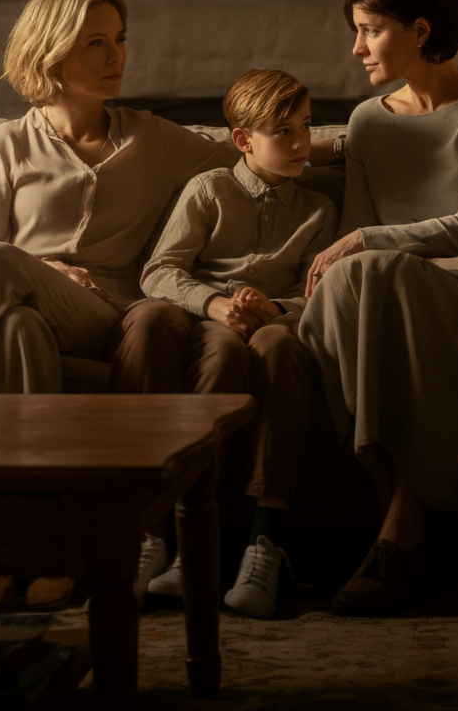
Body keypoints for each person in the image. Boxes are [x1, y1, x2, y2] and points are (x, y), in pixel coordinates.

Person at [0, 0, 339, 613]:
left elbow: (253, 147)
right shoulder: (5, 146)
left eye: (120, 40)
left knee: (2, 264)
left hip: (105, 313)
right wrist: (49, 269)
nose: (117, 57)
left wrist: (357, 141)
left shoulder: (151, 138)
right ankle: (34, 550)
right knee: (16, 325)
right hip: (25, 306)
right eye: (96, 43)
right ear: (52, 50)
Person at [297, 0, 458, 616]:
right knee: (350, 283)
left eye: (370, 30)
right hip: (384, 289)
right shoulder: (367, 120)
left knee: (371, 267)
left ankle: (401, 532)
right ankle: (399, 519)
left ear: (420, 30)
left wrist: (365, 244)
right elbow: (357, 227)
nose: (357, 47)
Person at [130, 69, 337, 618]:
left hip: (275, 324)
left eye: (306, 126)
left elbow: (318, 293)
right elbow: (160, 270)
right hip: (213, 319)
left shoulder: (318, 211)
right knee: (221, 352)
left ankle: (264, 543)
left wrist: (279, 309)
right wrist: (215, 304)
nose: (301, 143)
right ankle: (188, 543)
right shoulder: (209, 190)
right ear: (243, 139)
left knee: (282, 350)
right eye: (283, 131)